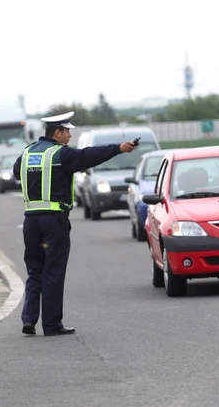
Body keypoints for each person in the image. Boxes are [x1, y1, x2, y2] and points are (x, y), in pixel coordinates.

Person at [13, 111, 137, 336]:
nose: (70, 135)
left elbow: (17, 173)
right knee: (53, 271)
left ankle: (29, 319)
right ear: (57, 132)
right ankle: (51, 325)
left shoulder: (27, 152)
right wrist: (118, 148)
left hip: (30, 221)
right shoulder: (61, 155)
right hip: (53, 221)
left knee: (35, 270)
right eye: (67, 131)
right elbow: (88, 156)